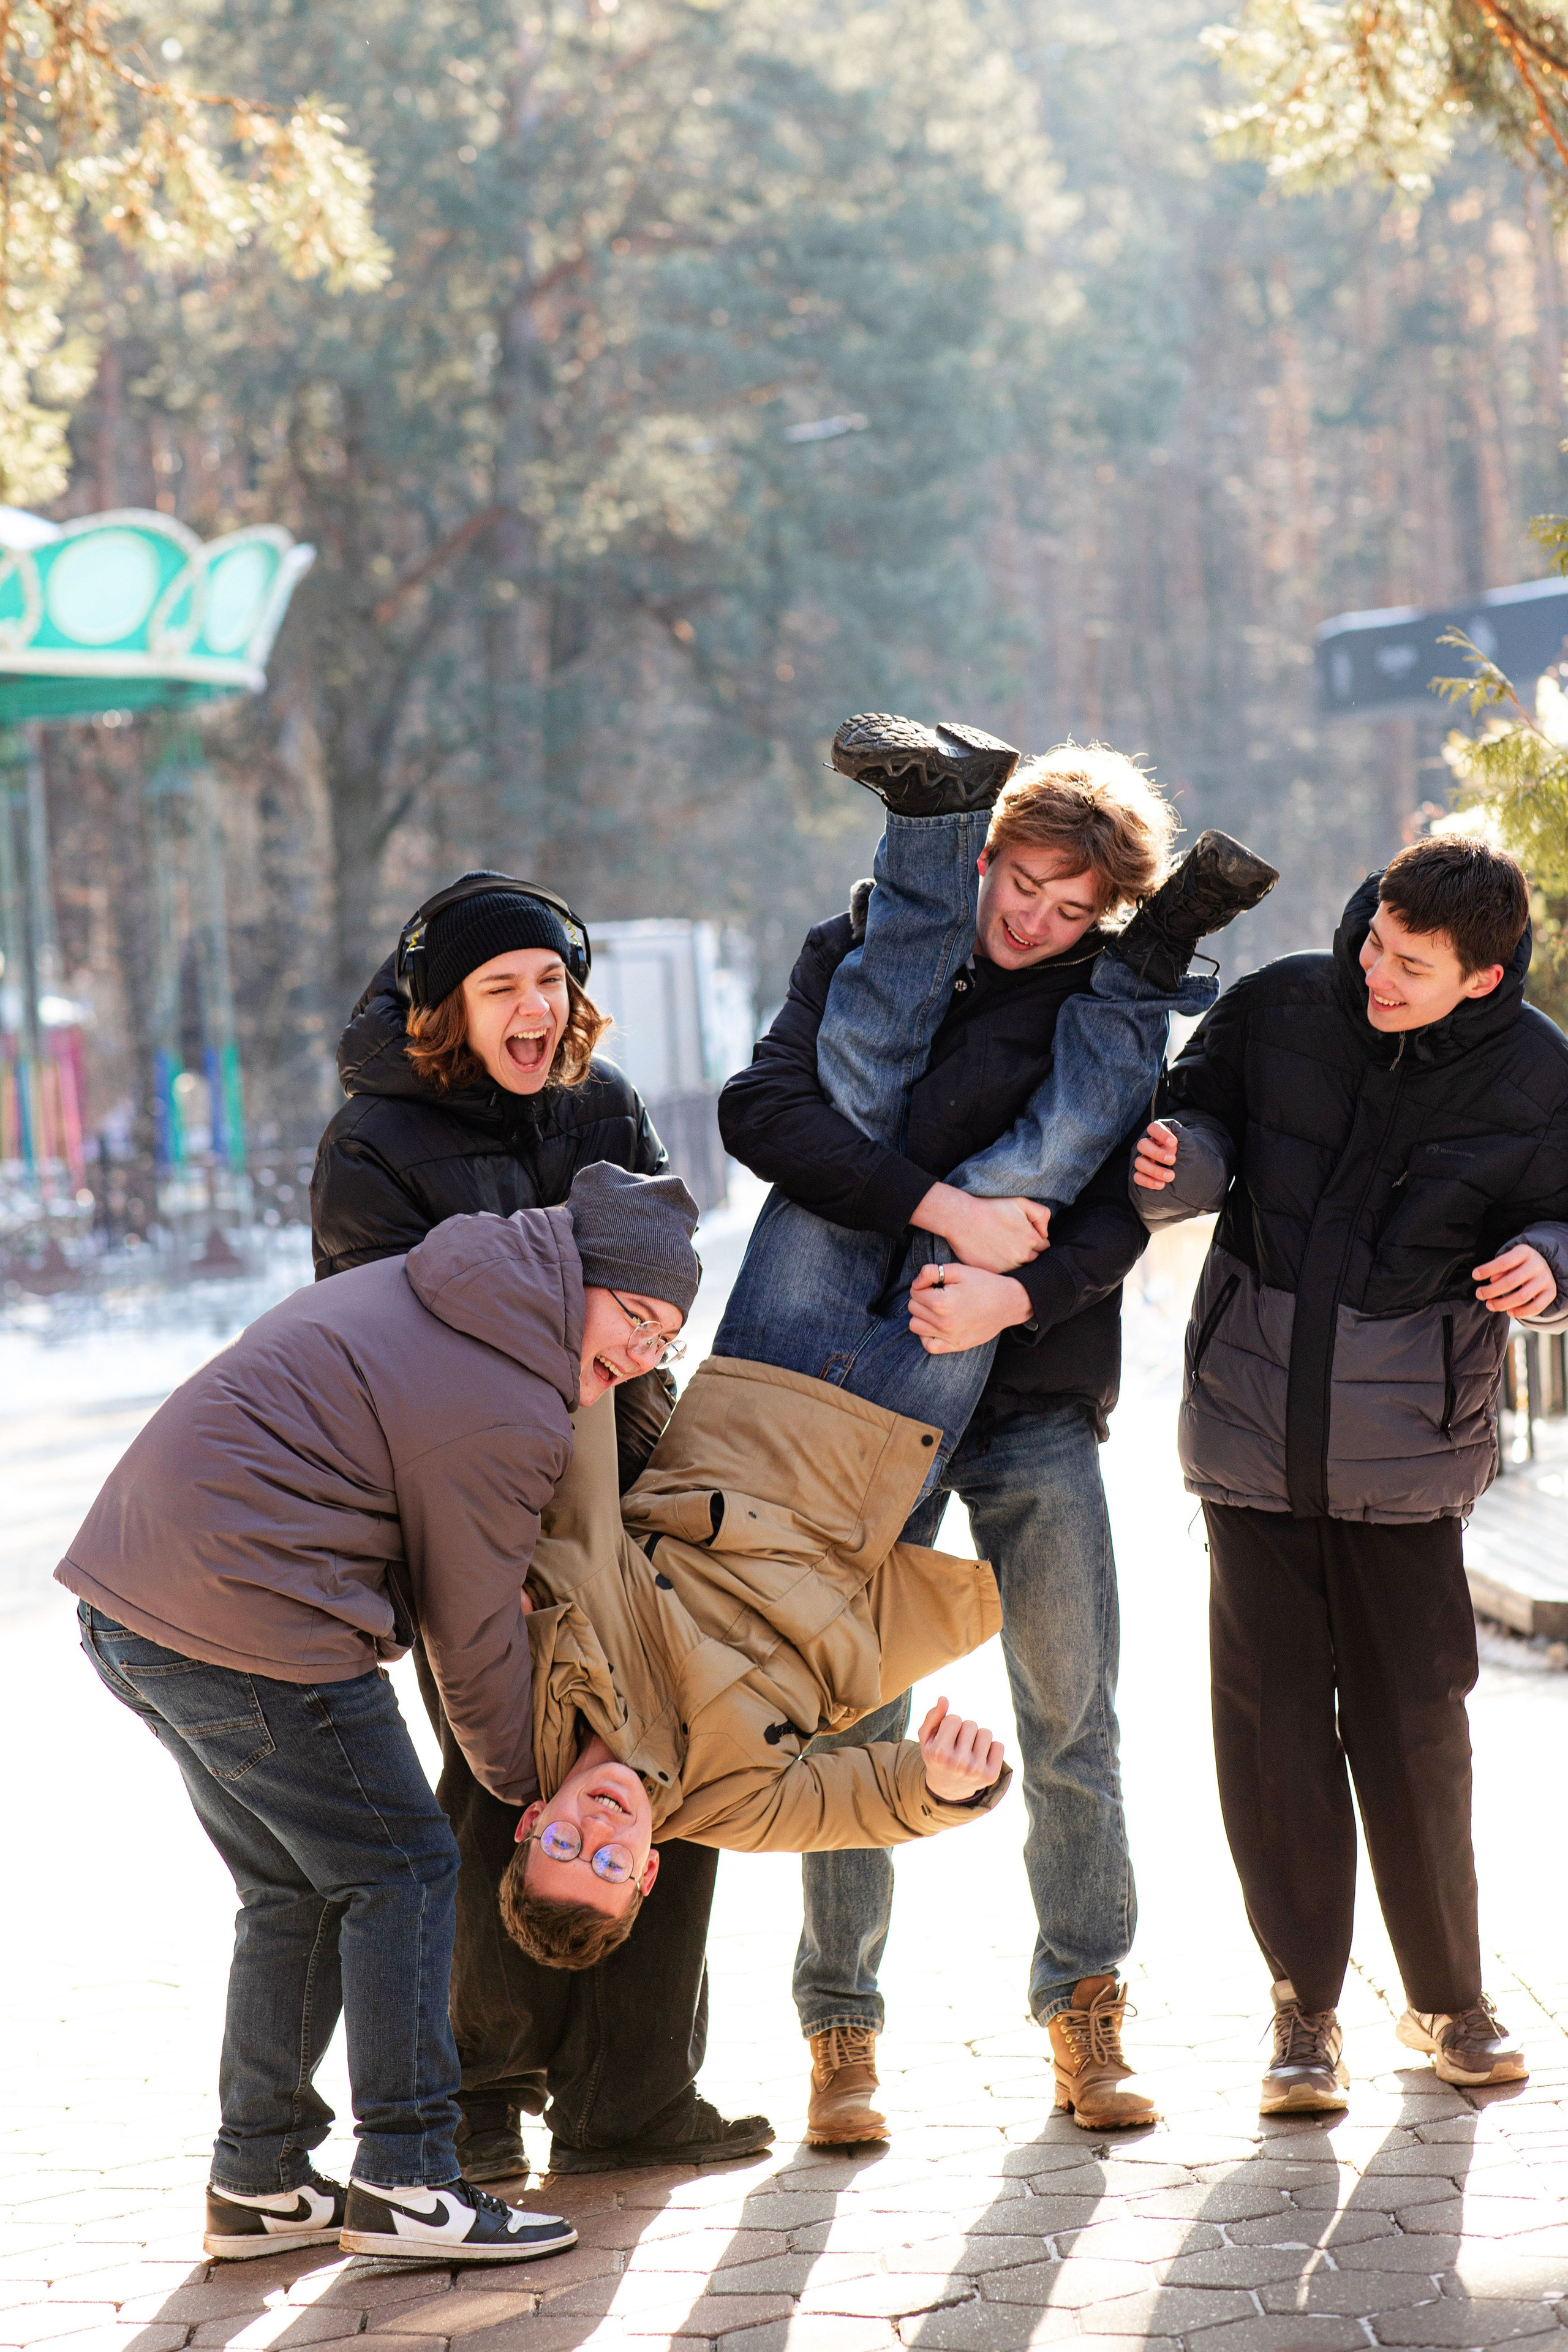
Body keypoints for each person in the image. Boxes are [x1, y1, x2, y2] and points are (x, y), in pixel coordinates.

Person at [718, 714, 1275, 2141]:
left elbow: (1103, 1215)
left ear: (1107, 913)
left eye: (1070, 905)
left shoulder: (1103, 1004)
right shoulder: (855, 950)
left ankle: (1084, 2012)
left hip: (1022, 1402)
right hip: (860, 1397)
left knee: (1068, 1713)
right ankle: (840, 2033)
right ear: (973, 856)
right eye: (1012, 880)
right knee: (848, 1720)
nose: (1031, 919)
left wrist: (1011, 1295)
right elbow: (766, 1114)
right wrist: (937, 1213)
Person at [56, 1162, 699, 2264]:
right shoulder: (504, 1391)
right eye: (636, 1317)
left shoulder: (455, 1295)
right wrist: (526, 1778)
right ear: (581, 1276)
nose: (643, 1356)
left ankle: (258, 2178)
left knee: (295, 1889)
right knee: (404, 1867)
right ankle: (408, 2177)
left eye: (665, 1338)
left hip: (139, 1608)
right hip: (253, 1610)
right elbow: (473, 1624)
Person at [309, 872, 750, 2184]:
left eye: (551, 982)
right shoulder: (372, 1142)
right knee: (503, 1786)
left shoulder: (599, 1101)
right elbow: (386, 1336)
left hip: (625, 1474)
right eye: (502, 987)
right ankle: (483, 2096)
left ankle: (636, 2093)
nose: (534, 1009)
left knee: (670, 1772)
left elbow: (663, 1255)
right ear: (443, 1004)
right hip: (471, 1504)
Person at [1131, 834, 1568, 2113]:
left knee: (1415, 1731)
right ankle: (1301, 2013)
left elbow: (1560, 1211)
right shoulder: (1279, 1004)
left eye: (1410, 966)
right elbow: (1191, 1119)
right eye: (1374, 941)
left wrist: (1546, 1260)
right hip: (1250, 1439)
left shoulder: (1534, 1072)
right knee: (1269, 1738)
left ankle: (1450, 2002)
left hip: (1407, 1456)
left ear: (1477, 980)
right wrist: (1183, 1164)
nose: (1373, 972)